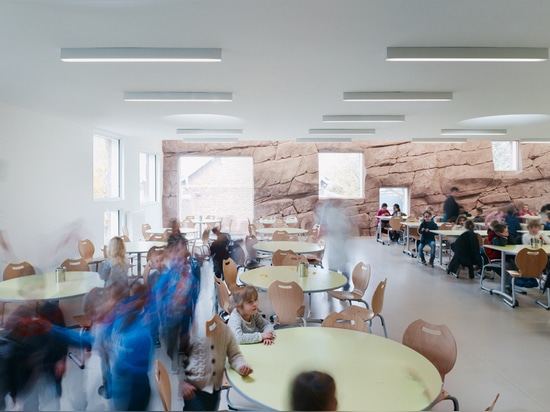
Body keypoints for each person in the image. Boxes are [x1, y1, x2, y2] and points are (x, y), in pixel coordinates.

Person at [179, 316, 253, 411]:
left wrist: (241, 366)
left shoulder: (224, 331)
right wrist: (182, 382)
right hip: (194, 389)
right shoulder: (191, 334)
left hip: (214, 388)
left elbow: (235, 355)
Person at [153, 224, 200, 373]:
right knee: (171, 341)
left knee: (184, 337)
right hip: (170, 314)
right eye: (176, 250)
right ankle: (173, 357)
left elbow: (194, 290)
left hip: (185, 312)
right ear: (170, 252)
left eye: (182, 249)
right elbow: (157, 291)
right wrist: (157, 311)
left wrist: (193, 315)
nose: (180, 253)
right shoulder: (168, 272)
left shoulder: (188, 270)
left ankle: (180, 356)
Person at [318, 200, 352, 290]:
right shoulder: (329, 209)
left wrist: (329, 229)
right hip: (334, 241)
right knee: (335, 263)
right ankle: (333, 284)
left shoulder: (336, 211)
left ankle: (344, 284)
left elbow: (344, 227)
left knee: (341, 263)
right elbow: (325, 225)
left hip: (339, 240)